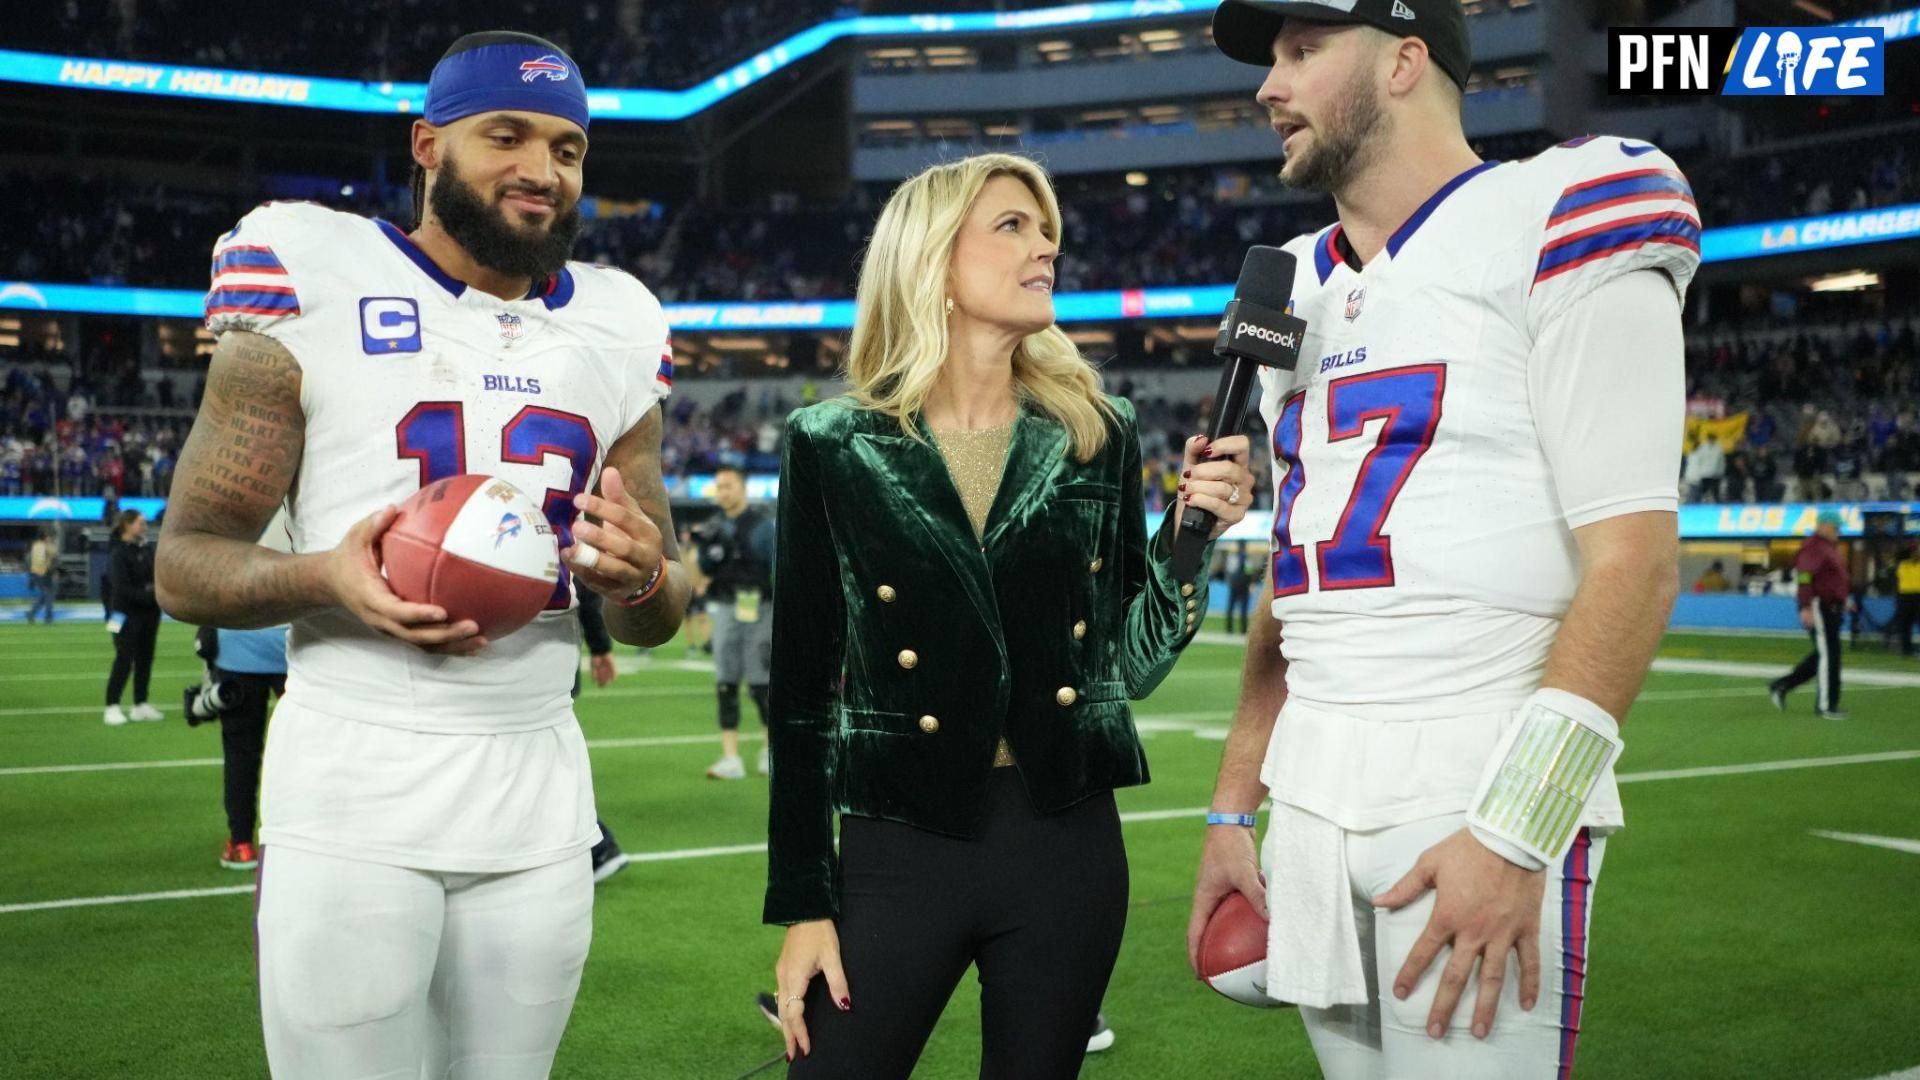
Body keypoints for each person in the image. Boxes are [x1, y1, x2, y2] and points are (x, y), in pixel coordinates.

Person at [154, 32, 690, 1079]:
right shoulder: (309, 269)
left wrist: (646, 576)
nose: (542, 169)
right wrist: (324, 578)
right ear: (428, 146)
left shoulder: (621, 322)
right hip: (356, 777)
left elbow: (651, 610)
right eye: (507, 135)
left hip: (539, 787)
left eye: (569, 148)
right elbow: (185, 564)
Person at [1191, 3, 1700, 1077]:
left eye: (1301, 52)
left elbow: (1637, 561)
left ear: (1405, 61)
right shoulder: (1292, 285)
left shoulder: (1557, 209)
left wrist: (1518, 832)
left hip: (1476, 776)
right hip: (1315, 787)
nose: (1267, 89)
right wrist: (1235, 802)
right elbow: (1300, 577)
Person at [765, 152, 1256, 1079]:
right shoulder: (830, 444)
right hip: (896, 846)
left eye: (1048, 234)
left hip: (1065, 843)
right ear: (933, 260)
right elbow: (798, 697)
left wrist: (1190, 541)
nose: (1046, 251)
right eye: (1013, 227)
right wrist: (804, 904)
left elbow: (1129, 667)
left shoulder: (1094, 430)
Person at [688, 465, 777, 778]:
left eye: (729, 485)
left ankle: (769, 751)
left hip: (760, 609)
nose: (723, 492)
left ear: (742, 488)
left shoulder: (765, 526)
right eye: (719, 487)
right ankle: (731, 758)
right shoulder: (714, 528)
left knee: (761, 685)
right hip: (726, 608)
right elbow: (703, 569)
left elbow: (777, 570)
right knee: (726, 683)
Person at [1769, 511, 1853, 718]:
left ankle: (1782, 685)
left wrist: (1843, 600)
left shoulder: (1826, 548)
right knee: (1828, 657)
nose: (1838, 532)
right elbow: (1805, 577)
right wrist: (1805, 606)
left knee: (1825, 655)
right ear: (1823, 526)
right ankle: (1825, 705)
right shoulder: (1815, 548)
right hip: (1819, 606)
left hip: (1830, 607)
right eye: (1835, 528)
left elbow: (1831, 580)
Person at [105, 509, 164, 726]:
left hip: (148, 613)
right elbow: (121, 589)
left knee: (145, 659)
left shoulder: (146, 549)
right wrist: (151, 593)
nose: (145, 526)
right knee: (123, 659)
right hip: (124, 615)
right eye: (140, 522)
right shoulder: (118, 553)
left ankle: (140, 704)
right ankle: (112, 706)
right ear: (127, 525)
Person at [1893, 541, 1920, 658]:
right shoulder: (1902, 564)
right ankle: (1906, 650)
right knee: (1905, 625)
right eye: (1915, 551)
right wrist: (1911, 548)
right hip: (1905, 596)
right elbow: (1898, 554)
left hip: (1918, 595)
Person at [28, 526, 57, 624]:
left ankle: (31, 614)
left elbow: (31, 560)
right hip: (44, 573)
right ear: (45, 538)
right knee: (49, 595)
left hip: (35, 573)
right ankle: (48, 617)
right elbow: (53, 554)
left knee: (44, 596)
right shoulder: (44, 546)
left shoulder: (35, 546)